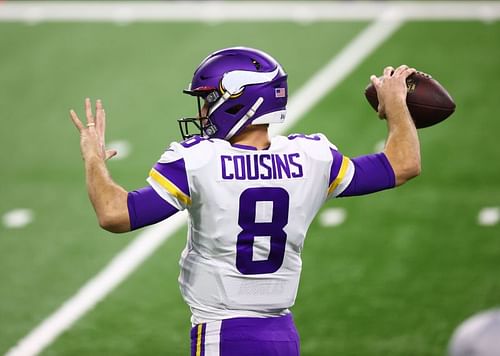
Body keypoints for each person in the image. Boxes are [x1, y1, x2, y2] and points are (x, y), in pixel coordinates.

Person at [70, 47, 420, 356]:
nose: (203, 112)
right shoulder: (312, 157)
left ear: (236, 98)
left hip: (225, 334)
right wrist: (397, 108)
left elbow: (115, 214)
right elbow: (402, 165)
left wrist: (93, 160)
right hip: (283, 337)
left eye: (208, 100)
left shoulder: (199, 160)